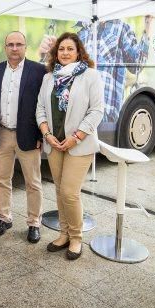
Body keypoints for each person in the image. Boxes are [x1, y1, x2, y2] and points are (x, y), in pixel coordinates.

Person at [36, 32, 104, 260]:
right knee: (59, 190)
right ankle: (64, 234)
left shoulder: (90, 76)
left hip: (79, 144)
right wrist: (46, 134)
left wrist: (76, 136)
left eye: (70, 49)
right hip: (55, 144)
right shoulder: (49, 78)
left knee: (69, 192)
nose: (65, 53)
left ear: (78, 52)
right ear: (56, 53)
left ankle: (76, 238)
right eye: (61, 49)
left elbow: (97, 111)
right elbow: (40, 109)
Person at [0, 31, 47, 243]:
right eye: (10, 44)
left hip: (28, 135)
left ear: (25, 47)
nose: (14, 48)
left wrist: (41, 134)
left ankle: (34, 222)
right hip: (2, 134)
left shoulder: (39, 71)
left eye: (19, 44)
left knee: (33, 182)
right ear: (5, 47)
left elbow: (43, 106)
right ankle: (4, 218)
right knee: (2, 180)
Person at [78, 16, 151, 129]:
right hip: (81, 107)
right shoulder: (82, 30)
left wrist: (147, 26)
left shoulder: (120, 27)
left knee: (103, 144)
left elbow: (137, 65)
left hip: (106, 110)